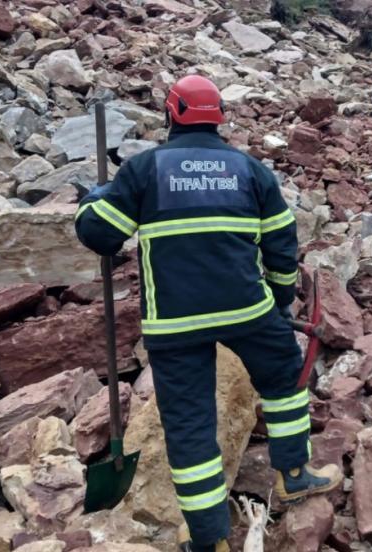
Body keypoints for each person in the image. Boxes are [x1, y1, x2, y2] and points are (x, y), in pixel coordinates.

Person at [75, 75, 342, 552]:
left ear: (171, 113)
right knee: (284, 380)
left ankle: (209, 540)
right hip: (247, 309)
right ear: (219, 116)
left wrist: (92, 202)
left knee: (189, 425)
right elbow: (282, 245)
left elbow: (100, 236)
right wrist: (280, 304)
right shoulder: (249, 170)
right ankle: (295, 475)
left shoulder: (145, 171)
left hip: (175, 324)